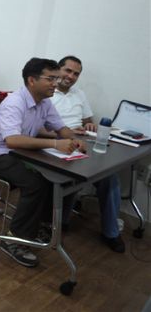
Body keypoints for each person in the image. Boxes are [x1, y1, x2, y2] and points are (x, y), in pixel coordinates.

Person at [0, 58, 86, 268]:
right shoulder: (15, 102)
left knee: (62, 175)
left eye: (56, 78)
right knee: (35, 183)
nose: (56, 82)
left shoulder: (45, 102)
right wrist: (55, 143)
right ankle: (13, 239)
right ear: (32, 80)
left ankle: (42, 226)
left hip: (22, 152)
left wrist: (73, 140)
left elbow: (60, 128)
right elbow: (12, 140)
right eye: (50, 78)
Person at [51, 55, 124, 253]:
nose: (71, 76)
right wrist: (69, 131)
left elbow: (87, 120)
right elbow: (41, 127)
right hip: (58, 143)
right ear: (58, 69)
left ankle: (111, 232)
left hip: (81, 142)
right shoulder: (48, 92)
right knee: (75, 173)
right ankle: (61, 220)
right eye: (68, 71)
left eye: (76, 74)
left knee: (109, 176)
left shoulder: (79, 94)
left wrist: (88, 125)